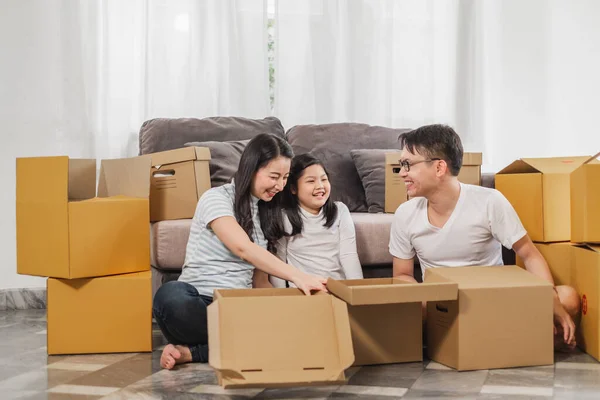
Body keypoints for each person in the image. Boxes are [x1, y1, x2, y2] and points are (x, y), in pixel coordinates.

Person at [389, 124, 580, 349]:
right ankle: (510, 338)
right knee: (403, 303)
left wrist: (550, 299)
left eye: (408, 164)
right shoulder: (405, 213)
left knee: (568, 297)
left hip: (493, 299)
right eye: (402, 165)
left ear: (439, 167)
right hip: (442, 307)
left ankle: (483, 339)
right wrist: (421, 298)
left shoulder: (490, 201)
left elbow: (530, 255)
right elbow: (402, 275)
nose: (402, 173)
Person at [152, 134, 328, 370]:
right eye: (274, 176)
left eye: (285, 178)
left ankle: (194, 352)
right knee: (170, 297)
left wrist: (281, 309)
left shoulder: (268, 213)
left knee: (291, 322)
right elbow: (242, 247)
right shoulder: (215, 198)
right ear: (251, 168)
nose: (280, 185)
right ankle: (247, 340)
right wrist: (298, 276)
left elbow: (260, 281)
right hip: (198, 303)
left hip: (237, 309)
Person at [268, 154, 363, 288]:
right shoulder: (284, 217)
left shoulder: (340, 211)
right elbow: (278, 263)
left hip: (336, 288)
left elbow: (349, 255)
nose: (320, 186)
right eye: (311, 181)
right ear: (293, 188)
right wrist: (282, 296)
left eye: (324, 179)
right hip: (302, 292)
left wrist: (358, 290)